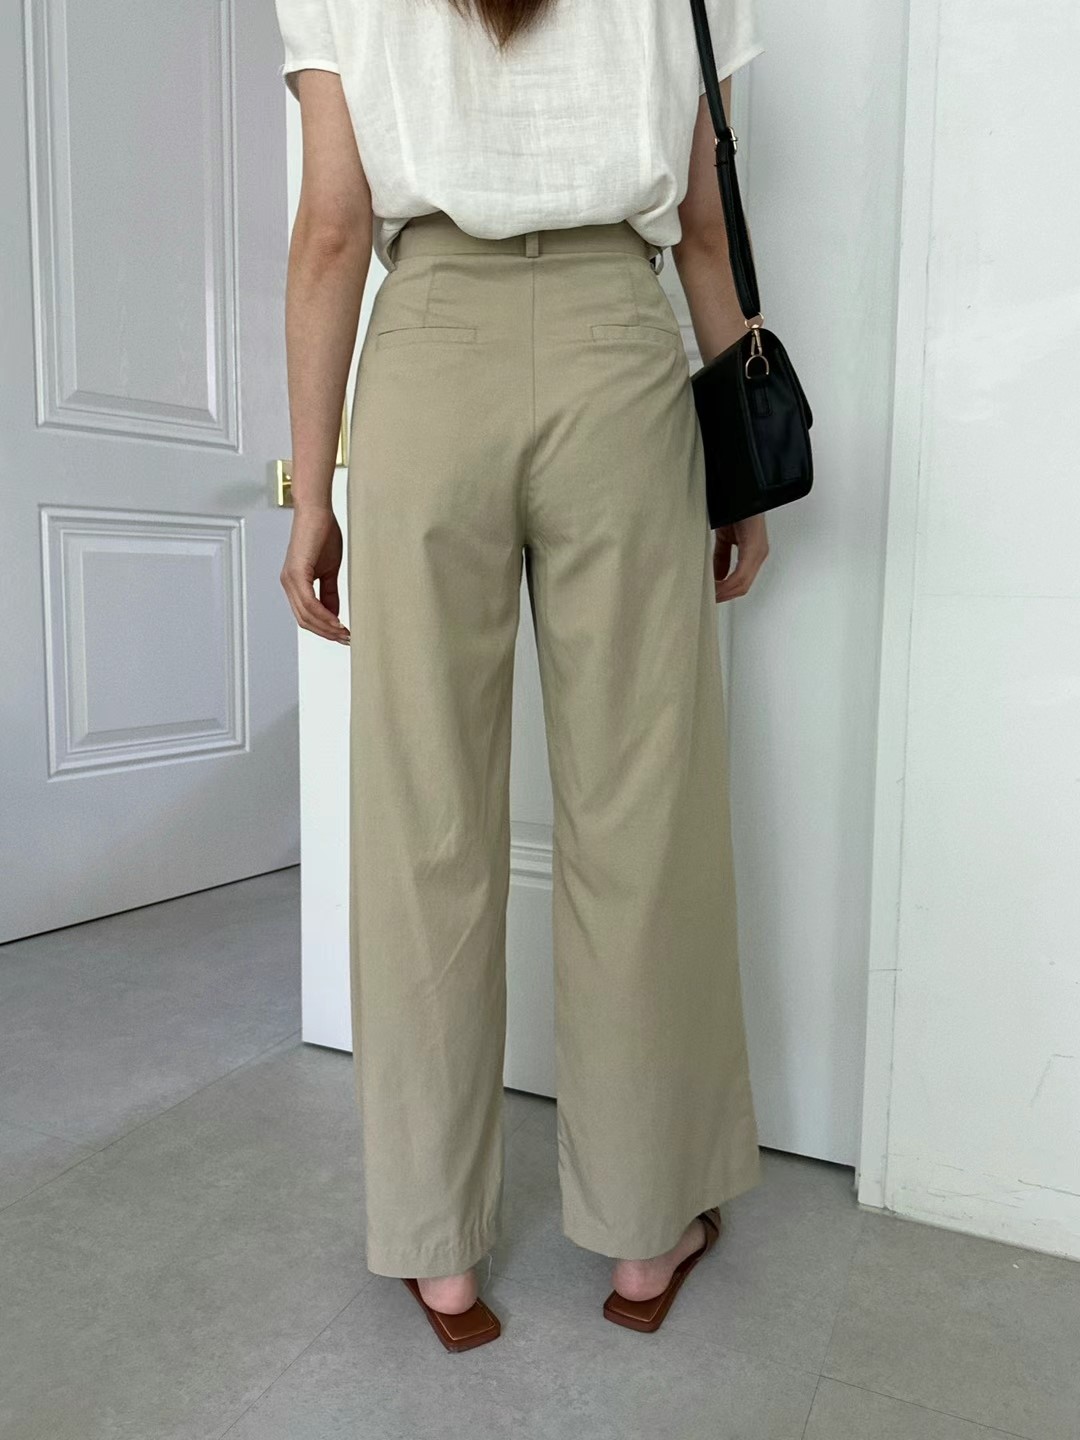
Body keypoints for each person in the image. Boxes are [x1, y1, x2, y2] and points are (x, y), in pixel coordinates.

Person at [274, 0, 769, 1351]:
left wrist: (311, 492)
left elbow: (332, 232)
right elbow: (708, 230)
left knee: (424, 822)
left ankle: (438, 1251)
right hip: (621, 360)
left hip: (428, 358)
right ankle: (647, 1232)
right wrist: (740, 471)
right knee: (639, 811)